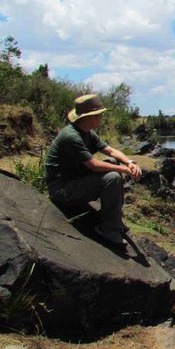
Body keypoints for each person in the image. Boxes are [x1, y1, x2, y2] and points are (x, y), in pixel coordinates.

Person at [44, 94, 142, 246]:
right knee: (113, 177)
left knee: (112, 162)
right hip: (62, 190)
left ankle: (114, 218)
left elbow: (110, 151)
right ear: (90, 117)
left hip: (74, 179)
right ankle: (108, 229)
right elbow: (93, 165)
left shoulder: (87, 132)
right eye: (99, 115)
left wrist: (129, 162)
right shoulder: (72, 136)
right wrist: (124, 170)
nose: (101, 118)